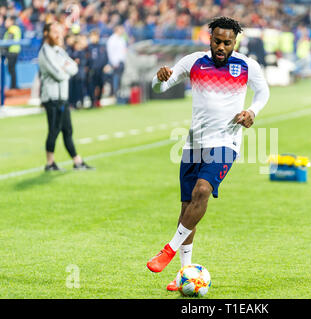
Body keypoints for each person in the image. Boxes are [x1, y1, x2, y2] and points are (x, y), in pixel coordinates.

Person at [147, 16, 270, 291]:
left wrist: (252, 112)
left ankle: (168, 250)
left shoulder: (247, 65)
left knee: (202, 191)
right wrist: (158, 79)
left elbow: (263, 94)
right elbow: (159, 89)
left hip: (226, 143)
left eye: (227, 43)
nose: (221, 47)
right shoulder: (192, 62)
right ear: (210, 38)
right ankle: (184, 273)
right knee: (187, 208)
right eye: (217, 41)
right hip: (193, 144)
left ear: (234, 42)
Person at [38, 22, 94, 171]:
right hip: (52, 97)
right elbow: (57, 74)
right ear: (46, 33)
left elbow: (74, 68)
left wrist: (65, 69)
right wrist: (64, 69)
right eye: (55, 32)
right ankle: (50, 163)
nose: (58, 35)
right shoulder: (45, 51)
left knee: (67, 130)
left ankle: (77, 161)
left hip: (62, 97)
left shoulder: (59, 50)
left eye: (59, 32)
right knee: (54, 130)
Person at [87, 29, 108, 108]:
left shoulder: (101, 46)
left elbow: (105, 57)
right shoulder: (88, 47)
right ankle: (92, 102)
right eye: (92, 36)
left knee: (100, 85)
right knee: (92, 86)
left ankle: (98, 101)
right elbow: (87, 58)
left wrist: (106, 65)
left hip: (101, 70)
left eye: (95, 36)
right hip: (92, 70)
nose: (94, 38)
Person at [106, 25, 127, 97]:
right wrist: (114, 62)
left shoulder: (121, 39)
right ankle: (115, 94)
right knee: (115, 78)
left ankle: (119, 94)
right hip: (115, 63)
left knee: (120, 79)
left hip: (121, 62)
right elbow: (110, 52)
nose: (123, 31)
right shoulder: (112, 39)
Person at [3, 16, 21, 89]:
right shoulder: (14, 29)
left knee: (11, 69)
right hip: (15, 52)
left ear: (11, 21)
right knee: (12, 69)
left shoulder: (12, 29)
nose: (5, 23)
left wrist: (3, 51)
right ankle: (13, 86)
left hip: (11, 52)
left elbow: (9, 40)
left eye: (7, 21)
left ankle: (13, 87)